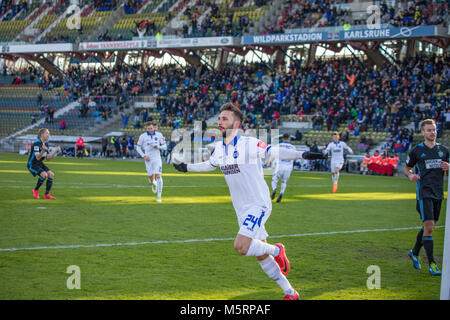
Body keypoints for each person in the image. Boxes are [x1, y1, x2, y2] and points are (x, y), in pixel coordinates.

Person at [172, 103, 325, 300]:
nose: (219, 122)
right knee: (260, 255)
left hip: (258, 204)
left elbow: (275, 151)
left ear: (236, 124)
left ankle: (278, 249)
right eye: (219, 118)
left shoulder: (249, 144)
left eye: (224, 119)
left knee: (242, 246)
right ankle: (290, 292)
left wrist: (301, 154)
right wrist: (187, 167)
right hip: (241, 209)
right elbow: (210, 165)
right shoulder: (219, 148)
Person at [404, 119, 449, 276]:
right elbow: (407, 168)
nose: (432, 132)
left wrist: (449, 167)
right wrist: (410, 176)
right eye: (429, 130)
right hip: (424, 193)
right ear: (422, 132)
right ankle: (432, 264)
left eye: (434, 129)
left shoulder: (444, 151)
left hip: (438, 193)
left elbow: (448, 171)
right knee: (429, 227)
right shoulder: (417, 151)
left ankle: (414, 252)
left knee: (429, 227)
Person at [136, 122, 167, 203]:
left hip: (157, 158)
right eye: (148, 128)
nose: (150, 130)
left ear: (154, 128)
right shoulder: (143, 136)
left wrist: (158, 147)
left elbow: (165, 146)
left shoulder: (159, 135)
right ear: (146, 128)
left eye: (151, 128)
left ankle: (159, 196)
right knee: (151, 177)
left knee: (159, 176)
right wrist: (144, 156)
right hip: (148, 159)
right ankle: (153, 182)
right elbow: (138, 147)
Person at [27, 128, 61, 200]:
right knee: (44, 174)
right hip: (32, 164)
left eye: (48, 133)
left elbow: (48, 158)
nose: (49, 135)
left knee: (51, 174)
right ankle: (35, 190)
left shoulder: (46, 144)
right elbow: (37, 158)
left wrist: (55, 151)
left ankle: (47, 194)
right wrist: (43, 150)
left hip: (40, 163)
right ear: (41, 135)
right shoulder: (36, 144)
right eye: (47, 133)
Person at [269, 133, 296, 203]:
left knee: (274, 180)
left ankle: (274, 189)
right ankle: (281, 193)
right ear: (289, 139)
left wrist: (269, 162)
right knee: (284, 181)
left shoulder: (278, 146)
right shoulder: (293, 147)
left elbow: (273, 154)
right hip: (288, 167)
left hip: (279, 166)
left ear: (282, 138)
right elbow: (295, 157)